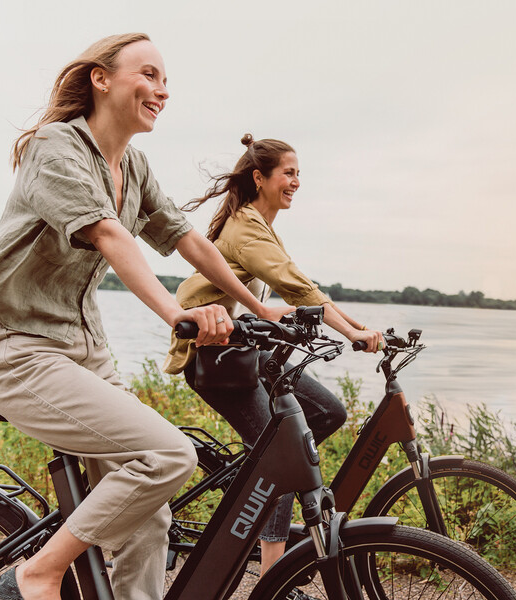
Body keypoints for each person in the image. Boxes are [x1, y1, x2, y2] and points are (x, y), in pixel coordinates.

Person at [0, 35, 291, 600]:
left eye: (165, 80)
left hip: (85, 351)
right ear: (101, 78)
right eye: (149, 75)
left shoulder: (133, 163)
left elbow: (188, 241)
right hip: (18, 345)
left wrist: (257, 306)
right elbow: (108, 234)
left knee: (148, 519)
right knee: (168, 455)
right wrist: (178, 312)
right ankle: (37, 572)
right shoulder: (55, 146)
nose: (162, 90)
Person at [163, 135, 384, 577]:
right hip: (216, 361)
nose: (296, 181)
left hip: (245, 353)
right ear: (259, 178)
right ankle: (272, 575)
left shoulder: (260, 226)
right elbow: (299, 289)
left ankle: (253, 489)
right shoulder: (245, 228)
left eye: (299, 173)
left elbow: (302, 288)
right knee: (279, 453)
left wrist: (355, 328)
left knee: (327, 413)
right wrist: (356, 332)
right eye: (289, 172)